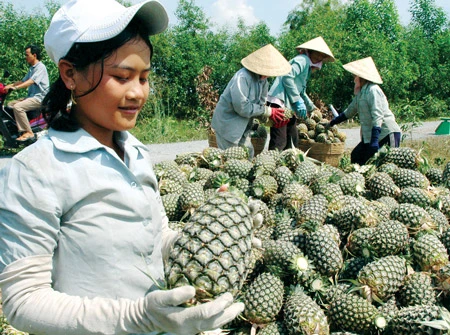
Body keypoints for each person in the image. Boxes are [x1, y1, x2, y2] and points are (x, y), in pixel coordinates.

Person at [0, 0, 244, 334]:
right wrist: (137, 317)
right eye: (121, 76)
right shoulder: (36, 169)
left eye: (144, 78)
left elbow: (154, 237)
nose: (137, 93)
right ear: (70, 73)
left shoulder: (136, 152)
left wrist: (213, 239)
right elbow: (24, 301)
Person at [211, 44, 291, 158]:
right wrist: (269, 111)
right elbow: (242, 107)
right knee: (230, 159)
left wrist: (272, 120)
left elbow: (260, 107)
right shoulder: (242, 77)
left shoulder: (263, 82)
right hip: (229, 125)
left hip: (243, 126)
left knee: (248, 155)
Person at [329, 56, 402, 165]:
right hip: (372, 137)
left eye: (355, 75)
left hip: (386, 133)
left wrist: (374, 140)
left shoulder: (373, 90)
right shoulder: (361, 93)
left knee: (388, 164)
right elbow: (350, 111)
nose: (354, 78)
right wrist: (332, 122)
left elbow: (377, 115)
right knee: (357, 157)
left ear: (361, 76)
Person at [267, 36, 335, 151]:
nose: (320, 58)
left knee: (292, 140)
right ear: (312, 52)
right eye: (319, 55)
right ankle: (272, 164)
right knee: (280, 140)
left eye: (322, 56)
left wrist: (312, 107)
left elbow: (301, 91)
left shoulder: (307, 67)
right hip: (280, 102)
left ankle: (288, 166)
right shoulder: (302, 60)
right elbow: (287, 76)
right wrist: (296, 100)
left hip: (288, 106)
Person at [4, 44, 49, 142]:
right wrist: (8, 85)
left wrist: (15, 88)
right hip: (31, 97)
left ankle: (28, 132)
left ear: (34, 55)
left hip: (39, 98)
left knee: (18, 107)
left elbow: (30, 81)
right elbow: (23, 81)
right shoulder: (32, 68)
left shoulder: (40, 67)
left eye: (27, 55)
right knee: (9, 105)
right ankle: (16, 130)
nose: (25, 57)